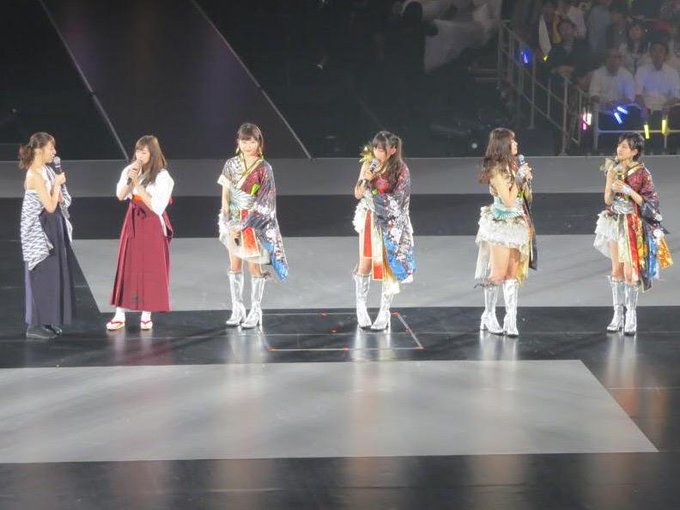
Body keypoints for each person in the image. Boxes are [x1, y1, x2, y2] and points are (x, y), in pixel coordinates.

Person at [595, 133, 672, 335]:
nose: (619, 149)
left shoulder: (643, 173)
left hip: (633, 225)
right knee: (616, 271)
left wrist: (628, 190)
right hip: (615, 222)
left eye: (624, 147)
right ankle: (617, 315)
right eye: (619, 145)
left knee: (630, 273)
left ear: (634, 151)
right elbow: (607, 200)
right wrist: (612, 184)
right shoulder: (613, 169)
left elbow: (651, 203)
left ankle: (631, 315)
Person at [218, 123, 288, 329]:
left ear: (259, 143)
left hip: (253, 221)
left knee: (254, 266)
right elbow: (225, 195)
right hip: (233, 219)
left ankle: (255, 310)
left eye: (251, 141)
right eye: (244, 141)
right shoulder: (231, 164)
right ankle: (237, 308)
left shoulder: (265, 168)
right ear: (238, 142)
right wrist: (228, 221)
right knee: (234, 264)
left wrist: (247, 223)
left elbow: (266, 201)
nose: (247, 146)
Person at [107, 136, 174, 331]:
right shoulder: (130, 170)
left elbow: (156, 206)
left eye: (144, 152)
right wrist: (131, 179)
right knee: (127, 264)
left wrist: (138, 184)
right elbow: (120, 195)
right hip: (133, 220)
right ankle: (119, 313)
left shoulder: (163, 176)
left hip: (152, 222)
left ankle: (147, 314)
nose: (140, 156)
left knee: (151, 267)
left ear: (153, 154)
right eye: (138, 151)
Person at [352, 131, 415, 331]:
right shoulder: (367, 165)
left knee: (387, 264)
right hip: (370, 218)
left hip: (390, 222)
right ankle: (361, 307)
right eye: (376, 148)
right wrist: (366, 179)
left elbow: (400, 200)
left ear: (393, 150)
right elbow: (357, 194)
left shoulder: (400, 170)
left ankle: (384, 311)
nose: (377, 153)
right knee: (365, 262)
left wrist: (377, 196)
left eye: (382, 149)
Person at [475, 128, 533, 337]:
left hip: (516, 224)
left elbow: (523, 198)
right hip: (500, 224)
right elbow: (508, 201)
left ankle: (511, 319)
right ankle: (489, 315)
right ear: (503, 145)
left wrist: (525, 181)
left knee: (512, 274)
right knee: (498, 274)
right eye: (512, 141)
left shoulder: (514, 165)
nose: (516, 144)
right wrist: (519, 180)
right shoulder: (496, 170)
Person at [19, 132, 76, 340]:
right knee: (41, 275)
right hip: (41, 230)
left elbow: (58, 200)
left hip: (53, 227)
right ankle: (35, 325)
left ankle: (48, 320)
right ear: (39, 149)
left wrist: (58, 187)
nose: (54, 152)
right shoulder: (34, 175)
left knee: (53, 274)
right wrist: (57, 184)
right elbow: (50, 206)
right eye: (51, 148)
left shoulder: (47, 170)